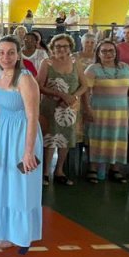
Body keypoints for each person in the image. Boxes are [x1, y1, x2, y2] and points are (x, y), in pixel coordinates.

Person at [0, 36, 43, 249]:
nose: (5, 57)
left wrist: (28, 151)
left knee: (18, 186)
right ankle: (0, 227)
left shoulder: (25, 79)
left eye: (10, 52)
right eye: (1, 52)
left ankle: (16, 233)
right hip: (2, 134)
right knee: (0, 182)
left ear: (18, 55)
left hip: (22, 135)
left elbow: (32, 116)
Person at [82, 40, 129, 183]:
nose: (108, 54)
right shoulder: (93, 68)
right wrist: (87, 108)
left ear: (116, 53)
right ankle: (93, 168)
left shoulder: (125, 68)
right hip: (99, 111)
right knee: (97, 138)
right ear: (98, 53)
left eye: (111, 51)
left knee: (118, 139)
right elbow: (85, 91)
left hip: (120, 112)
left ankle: (115, 169)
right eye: (104, 51)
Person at [37, 34, 88, 186]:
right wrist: (60, 94)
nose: (61, 49)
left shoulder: (76, 62)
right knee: (50, 139)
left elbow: (84, 85)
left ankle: (59, 171)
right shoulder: (46, 62)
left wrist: (73, 97)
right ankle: (45, 172)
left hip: (70, 107)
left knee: (66, 139)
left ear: (70, 48)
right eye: (58, 46)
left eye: (65, 46)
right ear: (52, 47)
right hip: (50, 106)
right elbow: (39, 85)